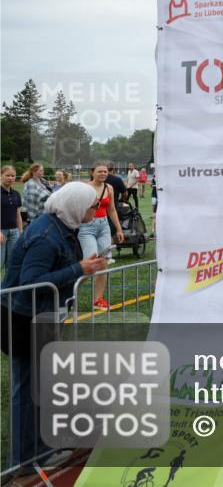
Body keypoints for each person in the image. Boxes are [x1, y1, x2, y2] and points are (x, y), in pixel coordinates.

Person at [1, 182, 108, 469]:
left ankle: (42, 448)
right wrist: (79, 269)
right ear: (75, 206)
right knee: (27, 391)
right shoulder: (47, 235)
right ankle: (27, 461)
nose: (96, 210)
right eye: (92, 206)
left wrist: (83, 266)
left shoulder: (59, 226)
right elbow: (31, 282)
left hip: (36, 315)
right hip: (26, 319)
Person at [81, 163, 124, 310]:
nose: (103, 174)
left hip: (104, 226)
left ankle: (98, 300)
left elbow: (112, 210)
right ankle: (68, 292)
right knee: (91, 263)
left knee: (104, 262)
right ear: (92, 172)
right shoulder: (85, 188)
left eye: (105, 171)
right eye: (100, 171)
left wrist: (119, 229)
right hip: (87, 227)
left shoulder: (109, 188)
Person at [2, 165, 24, 271]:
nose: (10, 178)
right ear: (1, 175)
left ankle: (7, 287)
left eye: (13, 176)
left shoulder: (16, 194)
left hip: (14, 232)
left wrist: (20, 232)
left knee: (11, 264)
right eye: (7, 175)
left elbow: (18, 215)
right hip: (1, 232)